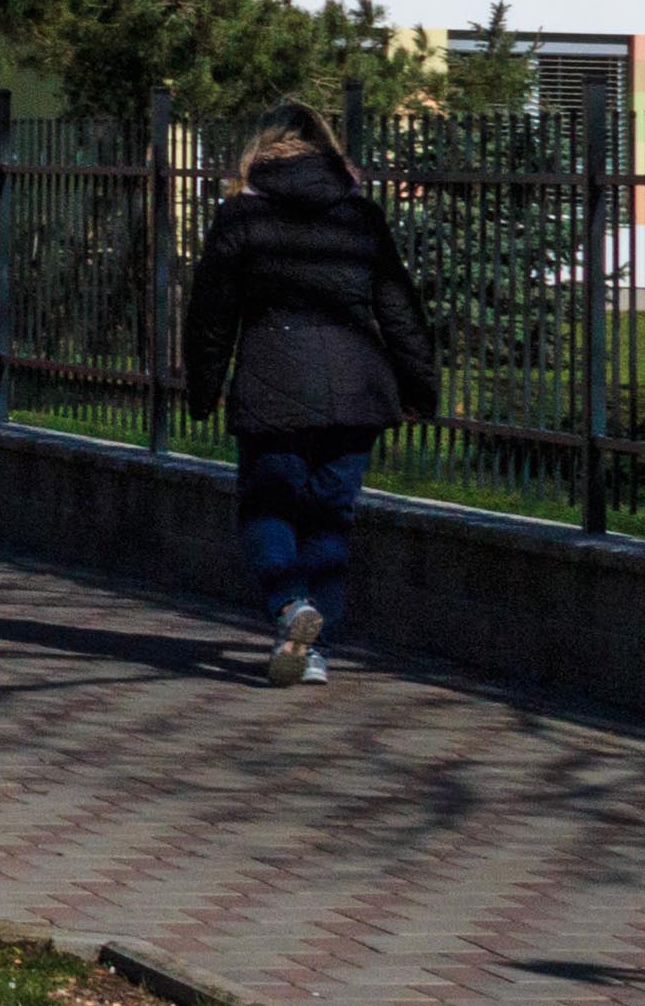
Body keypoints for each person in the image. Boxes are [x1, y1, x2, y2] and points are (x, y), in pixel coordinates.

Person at [179, 102, 447, 688]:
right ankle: (316, 651)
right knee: (331, 517)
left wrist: (202, 387)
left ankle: (290, 606)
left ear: (260, 150)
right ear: (325, 148)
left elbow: (211, 314)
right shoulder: (360, 215)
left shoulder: (240, 216)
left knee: (267, 507)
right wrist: (420, 387)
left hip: (272, 383)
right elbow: (399, 308)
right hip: (357, 386)